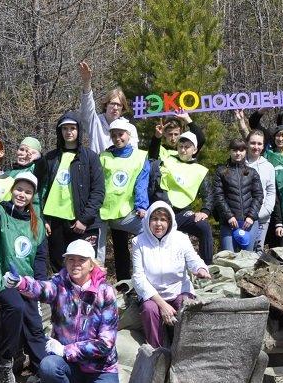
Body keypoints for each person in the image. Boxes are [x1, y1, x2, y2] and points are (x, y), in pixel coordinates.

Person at [13, 239, 121, 383]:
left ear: (91, 264)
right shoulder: (59, 285)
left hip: (99, 367)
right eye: (71, 259)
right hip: (69, 365)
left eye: (81, 260)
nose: (75, 264)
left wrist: (65, 350)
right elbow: (41, 288)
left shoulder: (106, 293)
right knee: (48, 366)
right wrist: (21, 282)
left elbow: (105, 344)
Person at [0, 172, 50, 383]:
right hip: (4, 279)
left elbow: (40, 259)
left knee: (35, 322)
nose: (22, 195)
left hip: (27, 282)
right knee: (17, 306)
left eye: (28, 192)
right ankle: (6, 361)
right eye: (19, 189)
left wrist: (39, 286)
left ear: (33, 196)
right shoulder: (1, 212)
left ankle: (43, 368)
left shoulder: (37, 223)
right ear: (12, 190)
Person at [131, 201, 211, 348]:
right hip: (153, 295)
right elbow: (138, 277)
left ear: (170, 221)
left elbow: (193, 258)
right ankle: (157, 351)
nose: (158, 224)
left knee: (186, 305)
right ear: (148, 220)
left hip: (179, 291)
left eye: (163, 219)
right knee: (149, 309)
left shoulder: (181, 238)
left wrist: (200, 269)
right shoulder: (138, 242)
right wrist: (162, 305)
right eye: (154, 219)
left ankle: (184, 348)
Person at [35, 112, 104, 272]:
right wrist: (44, 219)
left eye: (72, 128)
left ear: (79, 130)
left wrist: (85, 219)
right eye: (65, 128)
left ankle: (84, 296)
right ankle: (63, 296)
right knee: (59, 265)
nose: (69, 132)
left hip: (80, 221)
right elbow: (40, 190)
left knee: (83, 265)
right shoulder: (50, 158)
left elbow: (98, 191)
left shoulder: (90, 157)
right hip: (55, 221)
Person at [148, 130, 215, 263]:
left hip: (182, 212)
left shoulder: (200, 170)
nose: (183, 150)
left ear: (194, 149)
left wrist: (205, 211)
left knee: (203, 226)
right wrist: (156, 137)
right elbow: (153, 154)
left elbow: (208, 193)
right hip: (163, 210)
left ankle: (207, 265)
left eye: (187, 147)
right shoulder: (167, 158)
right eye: (180, 146)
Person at [98, 118, 148, 280]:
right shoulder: (103, 156)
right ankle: (101, 285)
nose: (117, 138)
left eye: (121, 134)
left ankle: (146, 276)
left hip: (127, 212)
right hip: (104, 212)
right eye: (114, 135)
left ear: (129, 135)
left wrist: (142, 205)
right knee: (102, 251)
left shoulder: (140, 157)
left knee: (148, 234)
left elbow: (141, 183)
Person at [213, 138, 263, 252]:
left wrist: (251, 216)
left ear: (246, 151)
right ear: (230, 151)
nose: (238, 153)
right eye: (235, 150)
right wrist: (229, 216)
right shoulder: (221, 171)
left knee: (248, 259)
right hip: (229, 223)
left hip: (249, 222)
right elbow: (218, 196)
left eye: (241, 150)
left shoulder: (252, 172)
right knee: (228, 259)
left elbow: (258, 195)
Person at [78, 61, 138, 154]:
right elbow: (87, 108)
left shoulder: (130, 128)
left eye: (119, 105)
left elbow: (134, 155)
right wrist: (87, 82)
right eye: (112, 103)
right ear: (106, 105)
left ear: (123, 108)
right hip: (97, 167)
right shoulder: (95, 123)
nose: (115, 107)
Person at [245, 129, 277, 250]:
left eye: (259, 144)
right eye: (253, 143)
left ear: (263, 146)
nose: (256, 147)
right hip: (241, 217)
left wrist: (265, 211)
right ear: (247, 143)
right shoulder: (239, 163)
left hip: (261, 217)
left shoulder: (268, 166)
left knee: (257, 251)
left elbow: (271, 191)